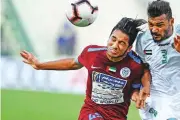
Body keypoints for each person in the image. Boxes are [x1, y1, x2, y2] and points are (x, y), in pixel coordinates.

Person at [20, 17, 150, 120]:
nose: (115, 46)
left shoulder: (135, 65)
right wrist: (40, 65)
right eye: (113, 39)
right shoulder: (92, 53)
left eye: (122, 43)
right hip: (91, 112)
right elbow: (72, 63)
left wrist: (136, 96)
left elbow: (134, 87)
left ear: (128, 48)